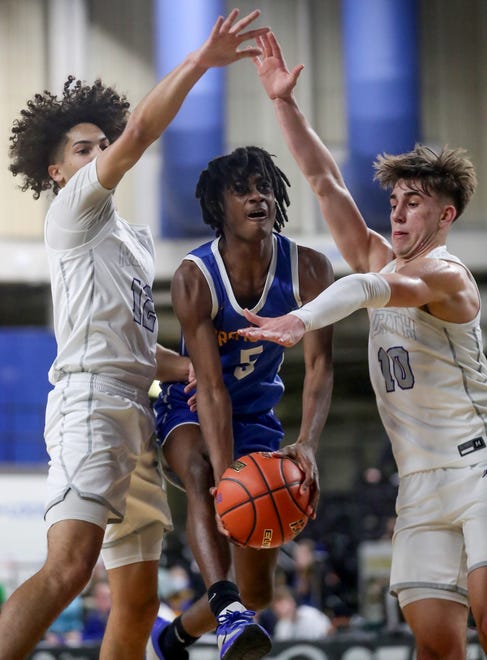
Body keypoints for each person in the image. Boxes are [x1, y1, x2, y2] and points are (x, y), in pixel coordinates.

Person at [0, 10, 270, 659]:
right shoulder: (73, 211)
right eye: (83, 149)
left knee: (141, 599)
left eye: (101, 143)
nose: (98, 153)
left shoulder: (129, 239)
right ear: (59, 171)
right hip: (90, 404)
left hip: (136, 411)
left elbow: (137, 349)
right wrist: (199, 63)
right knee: (69, 569)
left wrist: (209, 360)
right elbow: (143, 129)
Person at [238, 31, 487, 660]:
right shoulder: (383, 254)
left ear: (446, 216)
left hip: (478, 470)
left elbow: (367, 288)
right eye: (395, 202)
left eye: (415, 204)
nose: (398, 214)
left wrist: (298, 320)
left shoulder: (447, 275)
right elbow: (325, 184)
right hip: (419, 486)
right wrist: (283, 105)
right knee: (435, 649)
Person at [148, 145, 334, 659]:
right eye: (243, 190)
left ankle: (175, 636)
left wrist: (309, 444)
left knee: (259, 591)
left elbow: (320, 366)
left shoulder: (310, 269)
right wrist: (232, 476)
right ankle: (227, 615)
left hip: (257, 415)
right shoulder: (195, 276)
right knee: (204, 471)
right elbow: (208, 388)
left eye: (265, 187)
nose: (259, 196)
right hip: (191, 406)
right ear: (219, 206)